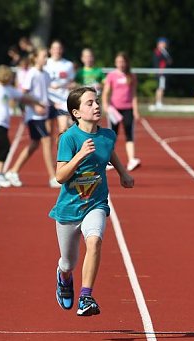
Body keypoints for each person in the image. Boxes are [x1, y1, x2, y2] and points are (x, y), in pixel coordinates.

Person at [52, 86, 135, 316]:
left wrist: (123, 173)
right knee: (68, 263)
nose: (96, 106)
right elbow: (59, 177)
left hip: (96, 203)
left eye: (97, 102)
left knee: (95, 241)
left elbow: (109, 152)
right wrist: (79, 155)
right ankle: (64, 277)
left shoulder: (107, 135)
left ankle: (86, 297)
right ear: (76, 113)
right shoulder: (69, 138)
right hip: (69, 209)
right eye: (89, 103)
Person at [4, 49, 58, 188]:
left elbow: (45, 94)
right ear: (35, 58)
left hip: (43, 114)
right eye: (44, 56)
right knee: (46, 141)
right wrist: (35, 106)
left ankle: (13, 171)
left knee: (34, 144)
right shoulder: (31, 74)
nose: (46, 58)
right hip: (33, 116)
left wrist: (52, 103)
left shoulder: (45, 74)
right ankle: (53, 177)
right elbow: (22, 95)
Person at [102, 51, 141, 171]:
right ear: (115, 62)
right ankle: (108, 160)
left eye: (123, 62)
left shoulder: (131, 76)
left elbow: (134, 94)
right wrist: (105, 106)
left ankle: (132, 159)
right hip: (114, 109)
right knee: (112, 135)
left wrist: (136, 110)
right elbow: (106, 92)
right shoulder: (111, 75)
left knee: (129, 133)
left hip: (128, 108)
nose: (121, 64)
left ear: (126, 63)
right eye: (118, 62)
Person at [45, 40, 76, 137]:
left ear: (62, 50)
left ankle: (62, 151)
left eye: (59, 48)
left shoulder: (68, 64)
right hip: (48, 100)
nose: (57, 51)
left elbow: (72, 84)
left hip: (63, 101)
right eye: (54, 48)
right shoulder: (45, 63)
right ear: (50, 50)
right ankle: (49, 153)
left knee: (63, 130)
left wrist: (62, 86)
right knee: (48, 132)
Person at [152, 37, 172, 108]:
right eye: (162, 43)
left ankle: (160, 102)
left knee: (162, 87)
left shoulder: (165, 52)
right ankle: (158, 102)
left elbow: (169, 61)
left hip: (164, 73)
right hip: (161, 73)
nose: (164, 45)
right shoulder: (158, 52)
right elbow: (158, 63)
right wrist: (159, 72)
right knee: (160, 87)